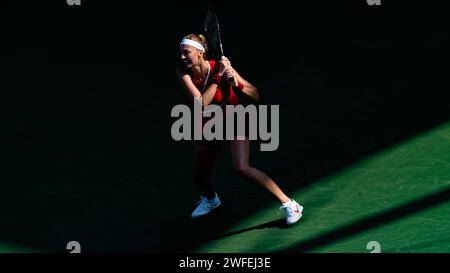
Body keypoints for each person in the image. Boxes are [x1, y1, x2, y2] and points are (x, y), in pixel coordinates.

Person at [175, 34, 303, 225]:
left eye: (187, 53)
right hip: (209, 124)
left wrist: (237, 83)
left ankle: (290, 204)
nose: (183, 57)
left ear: (200, 53)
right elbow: (201, 104)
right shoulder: (182, 73)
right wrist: (218, 77)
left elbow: (255, 94)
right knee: (201, 177)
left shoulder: (221, 66)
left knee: (242, 168)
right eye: (181, 53)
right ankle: (211, 201)